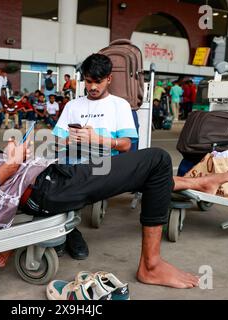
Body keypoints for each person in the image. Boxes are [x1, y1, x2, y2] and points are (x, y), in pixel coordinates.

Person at [0, 31, 228, 289]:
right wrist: (10, 165)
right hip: (42, 184)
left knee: (147, 165)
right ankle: (151, 265)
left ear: (108, 80)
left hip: (47, 172)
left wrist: (15, 155)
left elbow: (126, 145)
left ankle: (199, 183)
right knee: (155, 161)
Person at [52, 53, 138, 259]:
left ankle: (67, 232)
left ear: (109, 79)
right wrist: (69, 141)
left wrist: (97, 139)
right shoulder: (73, 106)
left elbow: (126, 145)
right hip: (73, 160)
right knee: (47, 178)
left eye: (97, 82)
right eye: (88, 81)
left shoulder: (120, 106)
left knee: (72, 182)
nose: (92, 87)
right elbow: (56, 142)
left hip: (105, 163)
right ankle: (62, 230)